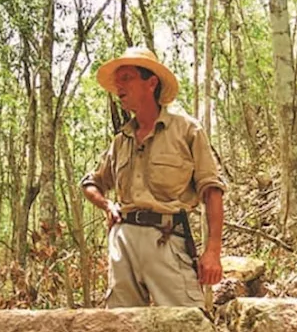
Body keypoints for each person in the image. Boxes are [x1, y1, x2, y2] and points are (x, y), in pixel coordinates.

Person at [81, 46, 224, 308]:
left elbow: (212, 189)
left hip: (167, 239)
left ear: (151, 83)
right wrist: (107, 205)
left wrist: (213, 251)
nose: (118, 87)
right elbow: (90, 183)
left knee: (187, 328)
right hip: (123, 243)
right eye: (116, 81)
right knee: (123, 331)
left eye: (127, 78)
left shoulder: (186, 130)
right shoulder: (120, 141)